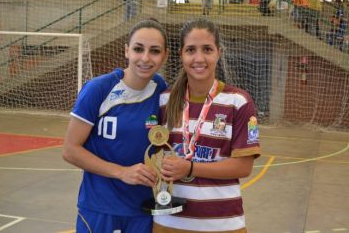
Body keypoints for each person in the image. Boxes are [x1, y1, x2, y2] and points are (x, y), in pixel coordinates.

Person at [154, 18, 260, 233]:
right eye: (191, 50)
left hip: (223, 223)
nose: (199, 58)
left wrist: (190, 168)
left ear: (218, 53)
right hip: (169, 223)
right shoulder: (164, 100)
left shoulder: (240, 102)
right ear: (181, 54)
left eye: (207, 49)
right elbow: (153, 153)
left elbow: (244, 167)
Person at [62, 19, 169, 233]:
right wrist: (122, 172)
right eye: (138, 49)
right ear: (127, 51)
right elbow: (70, 150)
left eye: (154, 51)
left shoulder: (161, 90)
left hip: (143, 209)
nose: (145, 58)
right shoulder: (98, 89)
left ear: (164, 56)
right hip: (100, 208)